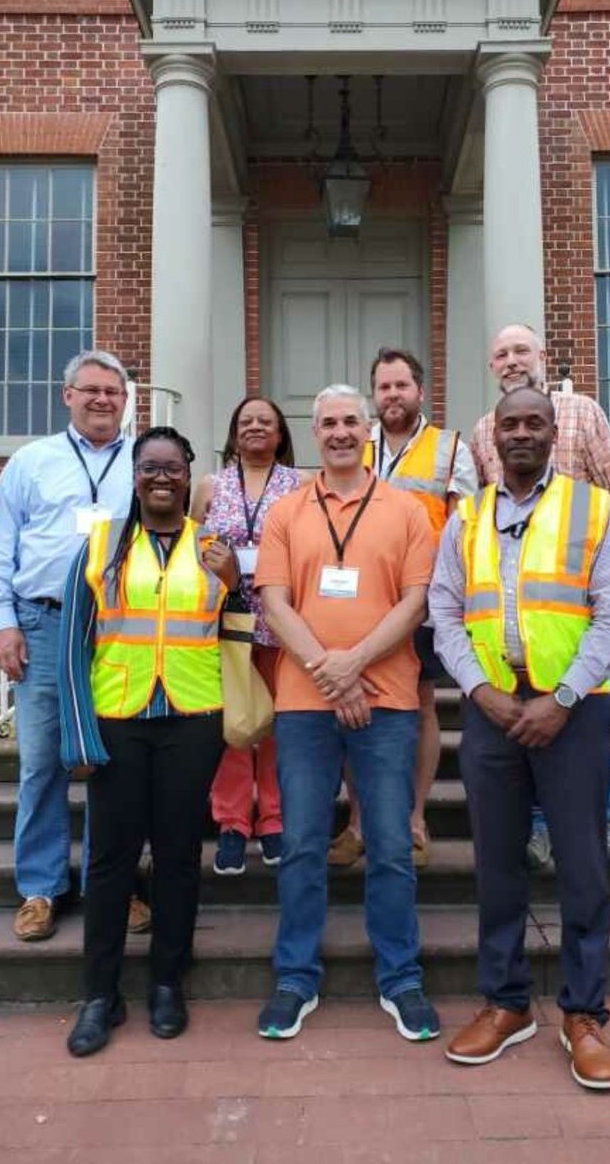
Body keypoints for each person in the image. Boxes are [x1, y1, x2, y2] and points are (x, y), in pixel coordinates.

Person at [430, 385, 610, 1087]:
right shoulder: (469, 515)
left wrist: (565, 695)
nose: (521, 434)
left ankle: (584, 1014)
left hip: (573, 713)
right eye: (509, 424)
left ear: (553, 433)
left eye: (534, 423)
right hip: (493, 713)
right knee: (496, 865)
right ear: (492, 436)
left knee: (581, 865)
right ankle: (506, 1001)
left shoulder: (593, 508)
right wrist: (480, 691)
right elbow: (445, 611)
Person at [253, 383, 440, 1042]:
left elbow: (417, 601)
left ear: (368, 429)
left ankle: (401, 979)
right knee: (303, 845)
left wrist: (354, 661)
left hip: (387, 702)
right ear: (314, 431)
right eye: (327, 422)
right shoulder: (286, 511)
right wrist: (334, 676)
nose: (338, 431)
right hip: (304, 703)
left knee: (389, 845)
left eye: (349, 421)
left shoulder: (408, 510)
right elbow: (275, 603)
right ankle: (295, 977)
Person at [58, 426, 237, 1057]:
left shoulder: (214, 548)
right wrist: (78, 732)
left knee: (180, 856)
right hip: (118, 718)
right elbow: (72, 643)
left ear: (189, 476)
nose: (161, 477)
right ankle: (99, 995)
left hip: (192, 718)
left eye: (172, 468)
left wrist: (236, 580)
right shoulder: (101, 545)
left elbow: (238, 634)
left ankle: (167, 981)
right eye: (149, 467)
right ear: (134, 476)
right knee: (109, 861)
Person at [0, 349, 150, 941]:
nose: (104, 400)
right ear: (67, 395)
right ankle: (41, 888)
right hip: (45, 624)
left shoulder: (144, 460)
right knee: (42, 763)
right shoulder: (32, 462)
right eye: (92, 390)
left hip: (120, 629)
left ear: (127, 402)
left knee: (119, 762)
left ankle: (115, 882)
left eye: (115, 392)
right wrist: (2, 622)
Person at [471, 323, 610, 869]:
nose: (512, 360)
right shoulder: (482, 431)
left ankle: (603, 820)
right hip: (520, 602)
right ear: (492, 366)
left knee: (589, 699)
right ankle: (541, 827)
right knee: (532, 708)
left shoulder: (583, 412)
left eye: (521, 350)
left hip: (583, 583)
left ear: (541, 355)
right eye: (501, 354)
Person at [327, 349, 477, 871]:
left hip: (422, 604)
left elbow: (462, 532)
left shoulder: (450, 448)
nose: (392, 395)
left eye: (401, 386)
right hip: (359, 601)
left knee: (421, 706)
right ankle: (359, 823)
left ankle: (414, 818)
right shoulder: (354, 445)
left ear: (420, 391)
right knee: (353, 707)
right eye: (384, 387)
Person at [191, 397, 305, 876]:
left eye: (266, 422)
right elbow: (192, 549)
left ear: (281, 435)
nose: (255, 427)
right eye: (246, 421)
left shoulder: (302, 486)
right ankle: (234, 823)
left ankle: (274, 817)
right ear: (233, 434)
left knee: (278, 726)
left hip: (283, 622)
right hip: (229, 622)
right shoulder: (209, 485)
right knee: (236, 726)